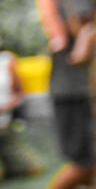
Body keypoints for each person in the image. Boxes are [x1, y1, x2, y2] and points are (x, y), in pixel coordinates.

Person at [12, 0, 96, 189]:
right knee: (85, 162)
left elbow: (83, 20)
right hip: (72, 84)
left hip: (77, 86)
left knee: (87, 162)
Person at [0, 45, 40, 181]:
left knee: (30, 168)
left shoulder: (7, 59)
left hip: (5, 119)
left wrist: (9, 106)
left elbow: (20, 93)